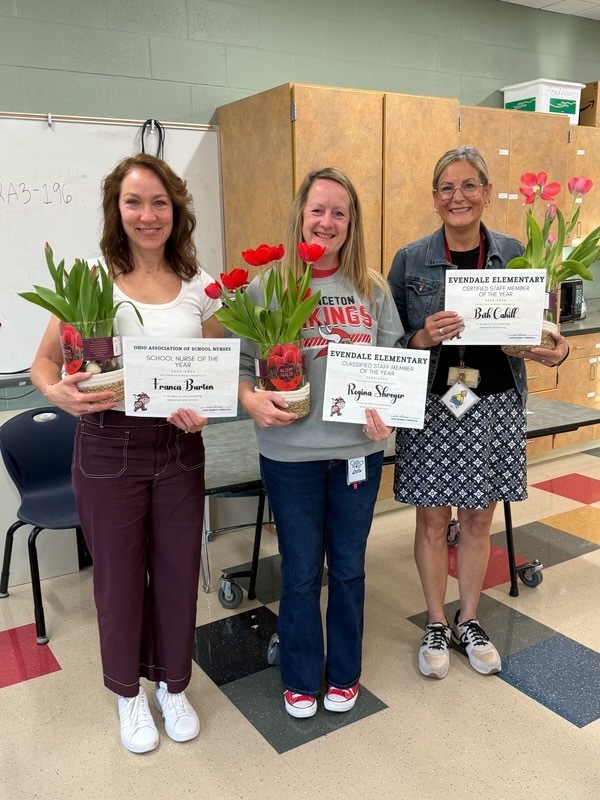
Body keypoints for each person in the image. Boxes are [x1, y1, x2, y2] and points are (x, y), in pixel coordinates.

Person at [30, 153, 223, 752]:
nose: (148, 214)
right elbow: (43, 363)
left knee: (175, 571)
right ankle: (127, 695)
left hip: (179, 448)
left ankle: (172, 684)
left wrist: (206, 406)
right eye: (134, 202)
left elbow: (215, 371)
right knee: (116, 578)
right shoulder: (91, 277)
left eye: (159, 202)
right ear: (117, 209)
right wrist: (57, 393)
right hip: (108, 445)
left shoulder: (199, 285)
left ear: (176, 210)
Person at [387, 145, 569, 680]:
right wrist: (422, 334)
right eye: (447, 187)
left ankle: (469, 619)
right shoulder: (410, 259)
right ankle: (436, 622)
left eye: (469, 186)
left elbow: (549, 336)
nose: (458, 196)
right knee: (432, 518)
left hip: (494, 404)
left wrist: (554, 351)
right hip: (435, 406)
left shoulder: (517, 253)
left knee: (478, 518)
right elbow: (391, 342)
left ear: (487, 192)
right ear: (434, 197)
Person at [238, 167, 404, 718]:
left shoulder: (373, 289)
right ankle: (301, 675)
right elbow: (241, 367)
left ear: (351, 221)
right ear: (300, 217)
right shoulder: (269, 286)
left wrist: (391, 419)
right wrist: (250, 398)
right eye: (317, 210)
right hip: (290, 455)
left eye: (339, 212)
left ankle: (345, 672)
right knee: (302, 569)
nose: (327, 221)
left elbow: (394, 368)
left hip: (358, 452)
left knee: (351, 569)